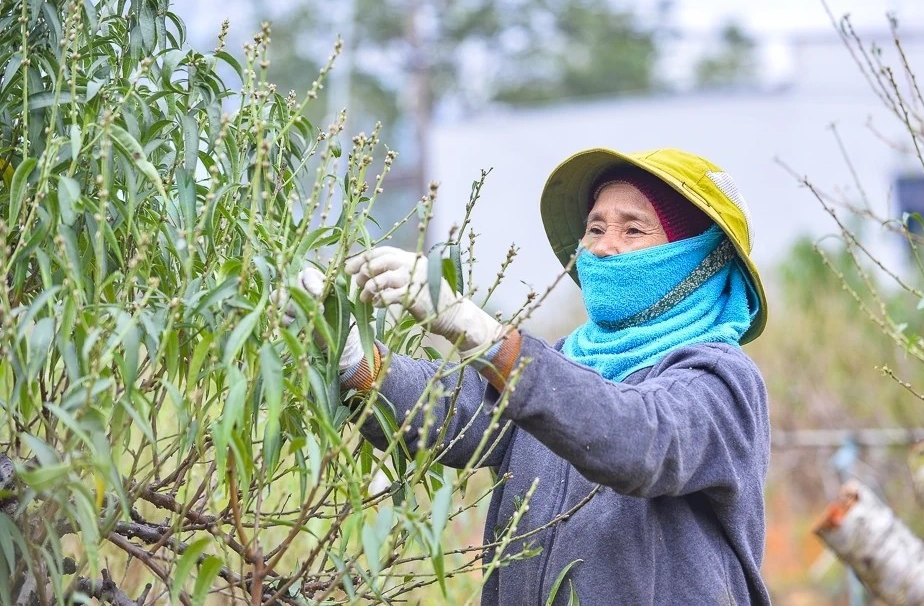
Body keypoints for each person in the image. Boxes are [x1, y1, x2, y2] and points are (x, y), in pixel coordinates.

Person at [286, 147, 771, 605]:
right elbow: (452, 412)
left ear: (700, 258)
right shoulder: (561, 367)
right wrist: (355, 357)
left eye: (634, 230)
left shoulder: (721, 381)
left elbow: (640, 438)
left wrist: (491, 339)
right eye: (595, 228)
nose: (605, 248)